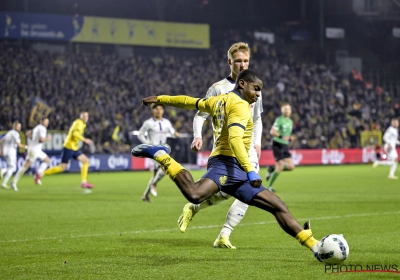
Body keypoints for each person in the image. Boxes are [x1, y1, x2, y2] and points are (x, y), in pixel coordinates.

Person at [132, 70, 321, 261]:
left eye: (260, 91)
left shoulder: (219, 100)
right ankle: (162, 155)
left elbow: (190, 102)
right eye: (256, 89)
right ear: (242, 84)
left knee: (277, 206)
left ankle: (315, 246)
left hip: (237, 168)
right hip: (225, 164)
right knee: (195, 194)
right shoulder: (240, 106)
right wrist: (250, 171)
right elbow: (235, 139)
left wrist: (161, 98)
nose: (258, 94)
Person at [178, 42, 263, 249]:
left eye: (246, 61)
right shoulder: (218, 88)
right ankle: (195, 207)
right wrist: (197, 135)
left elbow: (257, 118)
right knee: (227, 190)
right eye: (238, 61)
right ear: (229, 62)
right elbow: (201, 114)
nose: (242, 64)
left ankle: (224, 235)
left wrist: (258, 142)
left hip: (247, 149)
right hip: (225, 150)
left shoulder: (254, 86)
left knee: (249, 190)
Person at [38, 112, 95, 191]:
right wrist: (85, 140)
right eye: (84, 116)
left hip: (74, 148)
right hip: (68, 147)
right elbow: (75, 133)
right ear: (80, 116)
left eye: (87, 116)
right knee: (62, 168)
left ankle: (84, 182)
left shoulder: (82, 124)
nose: (86, 118)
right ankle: (41, 173)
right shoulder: (78, 122)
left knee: (86, 161)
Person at [137, 104, 180, 202]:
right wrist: (147, 143)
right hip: (153, 150)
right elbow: (140, 134)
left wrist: (176, 134)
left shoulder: (167, 123)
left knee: (156, 174)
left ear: (163, 111)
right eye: (156, 108)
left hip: (163, 150)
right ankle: (154, 184)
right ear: (152, 110)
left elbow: (173, 132)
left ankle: (145, 195)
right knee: (166, 167)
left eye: (160, 108)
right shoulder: (148, 123)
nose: (158, 110)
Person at [11, 118, 52, 189]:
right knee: (25, 167)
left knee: (47, 161)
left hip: (37, 150)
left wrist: (33, 140)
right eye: (45, 121)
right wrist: (47, 139)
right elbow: (41, 140)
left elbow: (28, 134)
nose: (47, 123)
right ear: (41, 121)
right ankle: (14, 182)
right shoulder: (42, 128)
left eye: (47, 122)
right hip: (34, 151)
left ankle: (37, 174)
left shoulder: (37, 127)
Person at [266, 103, 295, 192]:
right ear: (282, 110)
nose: (287, 111)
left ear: (290, 111)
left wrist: (290, 138)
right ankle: (269, 187)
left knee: (291, 167)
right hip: (277, 144)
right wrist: (281, 137)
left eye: (288, 109)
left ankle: (272, 169)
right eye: (285, 109)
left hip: (285, 145)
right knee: (281, 166)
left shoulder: (290, 122)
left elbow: (287, 134)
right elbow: (272, 131)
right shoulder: (279, 120)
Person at [0, 121, 29, 191]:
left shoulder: (9, 132)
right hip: (11, 152)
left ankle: (4, 183)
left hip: (6, 151)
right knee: (13, 168)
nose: (19, 128)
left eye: (20, 126)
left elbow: (1, 141)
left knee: (11, 167)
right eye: (18, 126)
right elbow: (19, 145)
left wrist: (1, 150)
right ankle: (3, 170)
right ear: (15, 126)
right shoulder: (16, 134)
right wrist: (26, 147)